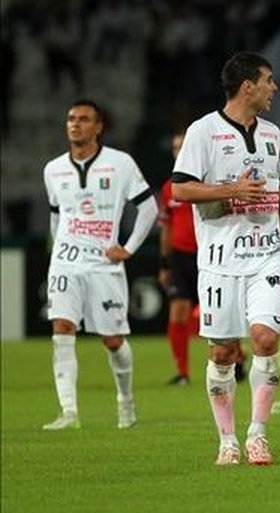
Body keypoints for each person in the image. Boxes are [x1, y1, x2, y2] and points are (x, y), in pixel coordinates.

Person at [171, 52, 280, 466]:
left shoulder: (273, 133)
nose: (274, 88)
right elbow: (180, 191)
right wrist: (231, 191)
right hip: (220, 259)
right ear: (248, 87)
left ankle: (257, 434)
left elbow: (276, 198)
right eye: (269, 80)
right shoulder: (203, 132)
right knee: (223, 353)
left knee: (265, 338)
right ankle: (227, 440)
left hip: (267, 256)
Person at [42, 99, 157, 430]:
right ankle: (69, 412)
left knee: (113, 340)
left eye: (83, 119)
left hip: (103, 265)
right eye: (71, 119)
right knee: (62, 330)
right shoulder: (53, 169)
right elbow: (56, 216)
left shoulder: (120, 164)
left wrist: (129, 248)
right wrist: (57, 252)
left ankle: (125, 401)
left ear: (99, 126)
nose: (75, 124)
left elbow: (148, 208)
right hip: (65, 263)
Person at [159, 130, 246, 386]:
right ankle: (183, 372)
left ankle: (237, 356)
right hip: (180, 256)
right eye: (175, 148)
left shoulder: (212, 182)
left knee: (223, 313)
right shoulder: (169, 189)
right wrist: (164, 263)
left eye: (182, 147)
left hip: (212, 254)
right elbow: (166, 227)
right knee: (178, 312)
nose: (179, 152)